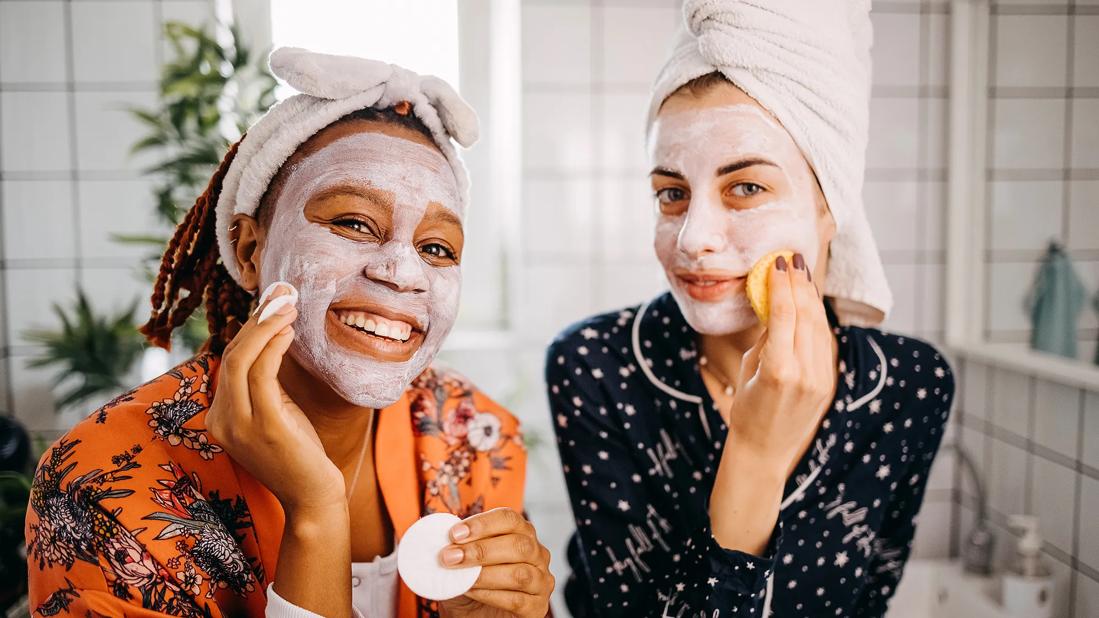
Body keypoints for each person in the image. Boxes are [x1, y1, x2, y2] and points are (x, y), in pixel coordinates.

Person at [26, 48, 553, 618]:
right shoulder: (101, 482)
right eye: (353, 222)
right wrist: (317, 513)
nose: (403, 273)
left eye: (436, 248)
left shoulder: (470, 435)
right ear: (251, 251)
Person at [546, 1, 954, 616]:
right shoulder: (599, 366)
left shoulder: (909, 388)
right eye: (671, 194)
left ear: (830, 208)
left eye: (745, 188)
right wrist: (757, 458)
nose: (692, 239)